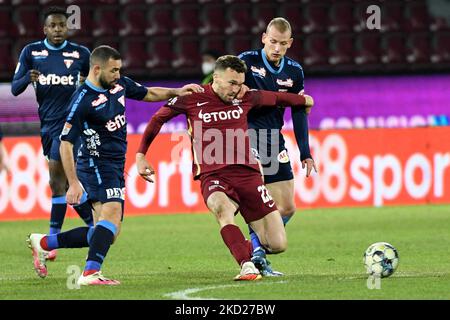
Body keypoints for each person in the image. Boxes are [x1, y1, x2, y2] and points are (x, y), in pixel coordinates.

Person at [27, 45, 203, 285]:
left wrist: (178, 91)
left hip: (115, 164)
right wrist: (74, 183)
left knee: (107, 232)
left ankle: (44, 243)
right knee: (112, 214)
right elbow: (64, 144)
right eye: (113, 70)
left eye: (119, 70)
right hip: (95, 164)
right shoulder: (81, 101)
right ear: (97, 69)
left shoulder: (118, 85)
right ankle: (90, 273)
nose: (118, 75)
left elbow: (148, 94)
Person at [135, 55, 314, 281]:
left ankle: (243, 245)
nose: (236, 89)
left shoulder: (246, 97)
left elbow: (279, 98)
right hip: (214, 175)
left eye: (240, 83)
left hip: (249, 176)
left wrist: (306, 100)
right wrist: (141, 155)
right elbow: (157, 119)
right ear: (215, 77)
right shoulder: (193, 97)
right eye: (232, 83)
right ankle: (246, 265)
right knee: (222, 209)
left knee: (278, 244)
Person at [11, 7, 93, 261]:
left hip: (71, 124)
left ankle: (51, 241)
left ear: (67, 27)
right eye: (53, 26)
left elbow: (97, 84)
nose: (58, 30)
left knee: (59, 179)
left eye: (62, 25)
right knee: (60, 184)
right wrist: (27, 76)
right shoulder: (31, 52)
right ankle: (93, 224)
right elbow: (15, 89)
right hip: (47, 125)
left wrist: (85, 84)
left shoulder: (81, 54)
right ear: (45, 29)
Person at [238, 17, 317, 276]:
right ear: (264, 38)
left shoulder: (294, 71)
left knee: (287, 208)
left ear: (290, 43)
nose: (276, 48)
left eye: (282, 44)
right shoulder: (246, 62)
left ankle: (256, 250)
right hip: (246, 134)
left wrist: (305, 152)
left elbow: (299, 111)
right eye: (272, 42)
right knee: (260, 200)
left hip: (274, 138)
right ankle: (255, 254)